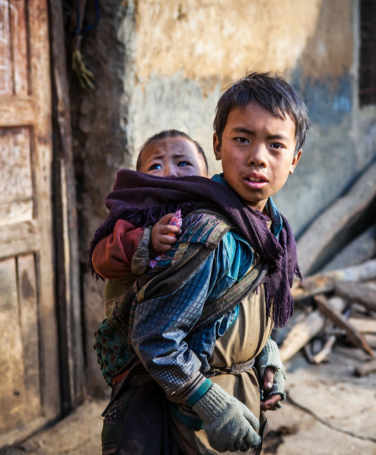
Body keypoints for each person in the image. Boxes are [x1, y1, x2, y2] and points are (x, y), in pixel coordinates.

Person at [93, 72, 308, 455]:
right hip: (192, 413)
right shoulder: (207, 235)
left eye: (275, 145)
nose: (258, 157)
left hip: (238, 396)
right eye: (243, 139)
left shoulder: (270, 229)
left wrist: (264, 355)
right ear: (218, 145)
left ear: (294, 159)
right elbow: (155, 339)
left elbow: (237, 307)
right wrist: (214, 406)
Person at [91, 129, 209, 280]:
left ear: (207, 179)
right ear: (139, 180)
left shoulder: (216, 209)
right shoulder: (134, 211)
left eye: (183, 163)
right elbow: (102, 260)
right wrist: (147, 241)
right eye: (156, 166)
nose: (169, 172)